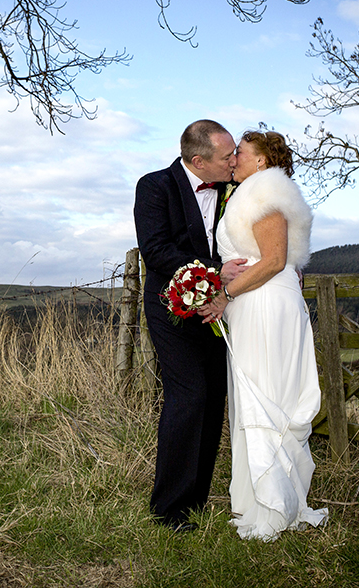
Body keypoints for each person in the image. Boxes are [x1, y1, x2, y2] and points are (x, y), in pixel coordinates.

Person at [199, 130, 328, 541]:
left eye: (242, 151)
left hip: (265, 304)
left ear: (261, 162)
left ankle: (274, 508)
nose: (233, 157)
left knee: (267, 396)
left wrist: (223, 296)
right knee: (255, 397)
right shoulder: (249, 193)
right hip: (255, 305)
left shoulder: (267, 191)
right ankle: (259, 503)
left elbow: (272, 261)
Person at [133, 119, 248, 532]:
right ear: (198, 161)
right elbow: (158, 250)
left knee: (214, 397)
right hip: (172, 310)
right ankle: (169, 509)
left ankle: (196, 499)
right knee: (190, 396)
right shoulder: (154, 187)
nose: (235, 160)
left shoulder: (234, 189)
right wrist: (215, 271)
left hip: (219, 310)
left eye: (235, 152)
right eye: (227, 156)